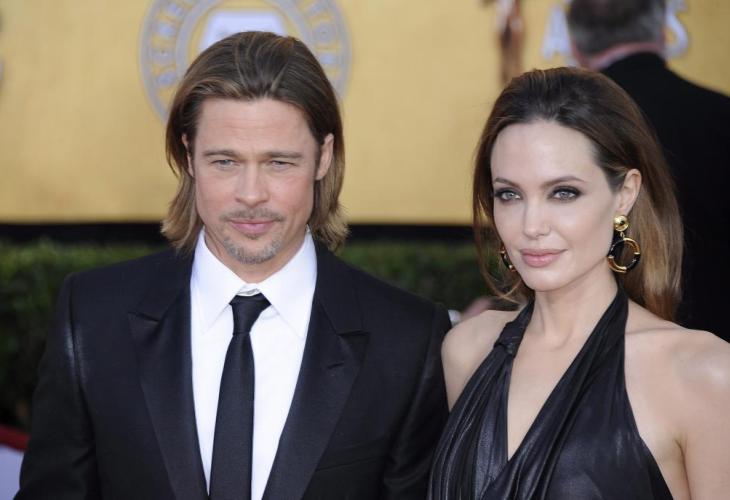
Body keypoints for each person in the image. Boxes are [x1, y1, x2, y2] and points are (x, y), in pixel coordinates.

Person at [16, 31, 451, 500]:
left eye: (278, 163)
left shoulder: (406, 341)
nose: (250, 194)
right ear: (188, 155)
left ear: (323, 157)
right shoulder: (91, 319)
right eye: (225, 162)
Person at [428, 67, 730, 499]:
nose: (531, 225)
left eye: (563, 192)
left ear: (625, 193)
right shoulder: (467, 350)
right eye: (510, 194)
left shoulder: (702, 373)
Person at [568, 0, 730, 341]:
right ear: (663, 31)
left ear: (574, 46)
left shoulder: (571, 124)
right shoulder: (721, 114)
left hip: (605, 342)